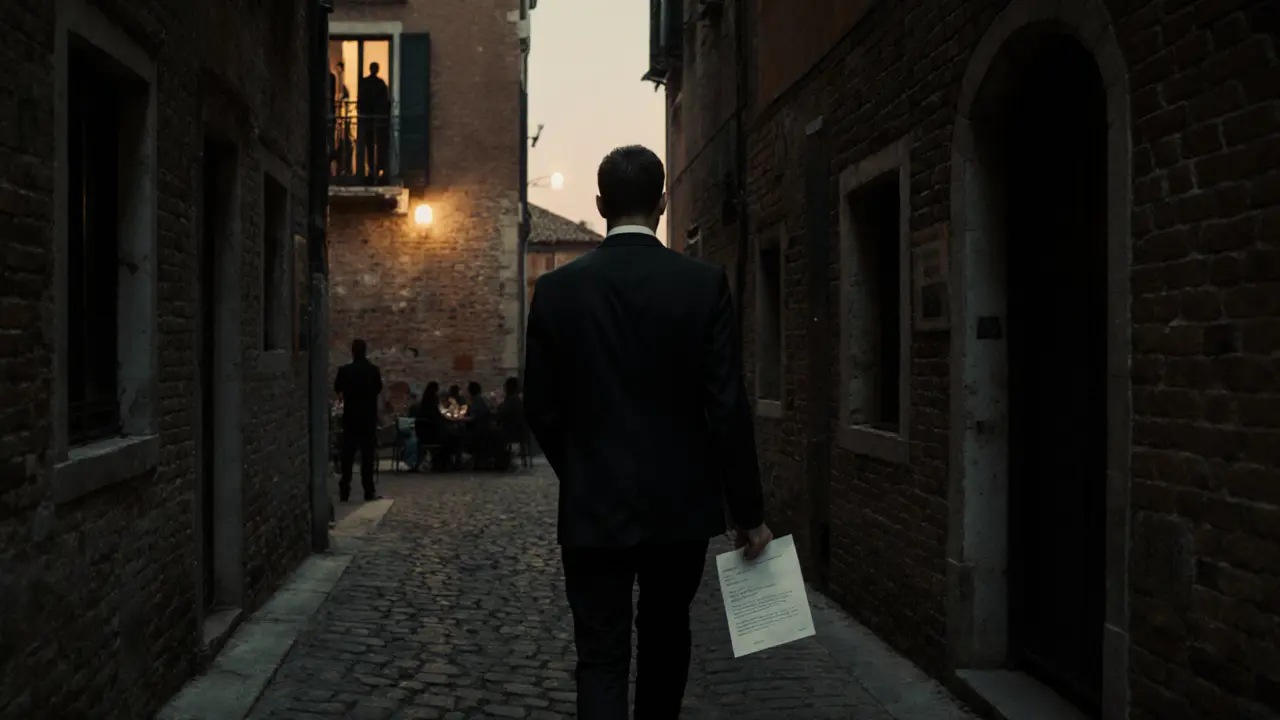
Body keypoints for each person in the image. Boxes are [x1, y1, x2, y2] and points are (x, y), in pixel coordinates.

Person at [523, 145, 771, 719]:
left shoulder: (558, 292)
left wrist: (582, 467)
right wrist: (749, 511)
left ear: (600, 204)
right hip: (680, 506)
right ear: (662, 203)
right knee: (665, 637)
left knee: (600, 654)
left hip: (593, 505)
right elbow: (727, 406)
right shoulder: (703, 285)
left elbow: (540, 407)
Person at [333, 338, 384, 502]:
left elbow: (337, 389)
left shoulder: (345, 371)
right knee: (367, 456)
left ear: (352, 352)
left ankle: (344, 489)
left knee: (347, 455)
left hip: (350, 418)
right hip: (367, 419)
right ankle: (368, 490)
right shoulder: (373, 371)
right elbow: (377, 389)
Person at [357, 62, 391, 183]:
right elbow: (385, 102)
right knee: (378, 147)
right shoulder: (380, 84)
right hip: (377, 121)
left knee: (370, 147)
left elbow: (360, 100)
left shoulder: (365, 83)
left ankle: (371, 172)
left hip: (368, 120)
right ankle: (376, 172)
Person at [414, 382, 448, 472]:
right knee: (450, 438)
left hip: (422, 435)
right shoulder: (434, 403)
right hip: (433, 435)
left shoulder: (423, 404)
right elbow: (438, 418)